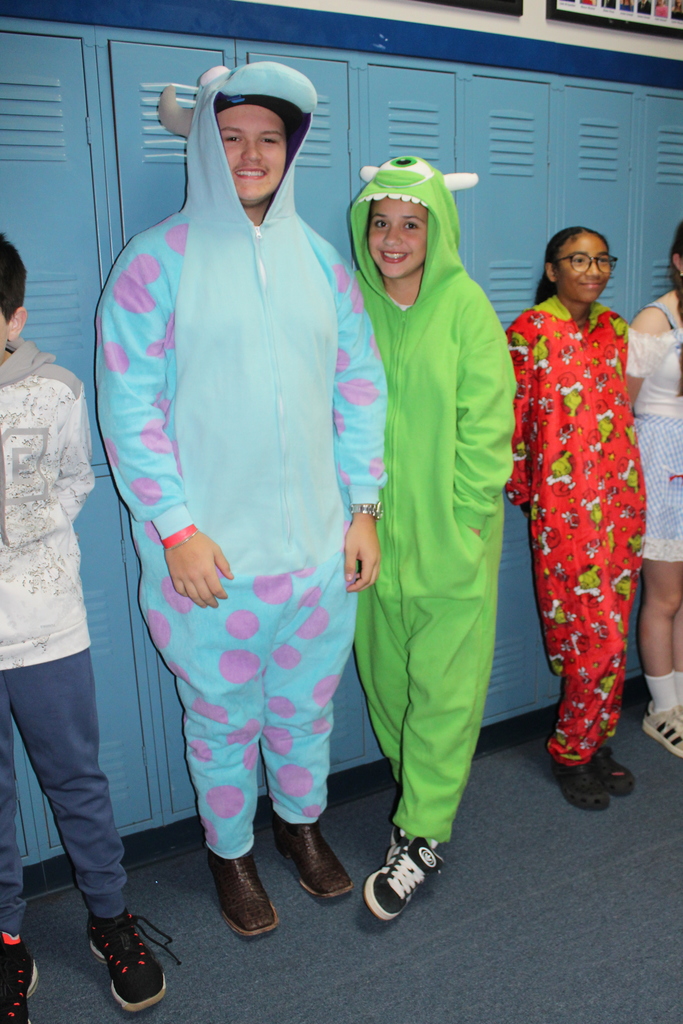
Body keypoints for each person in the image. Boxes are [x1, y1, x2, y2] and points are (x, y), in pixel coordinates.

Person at [96, 62, 386, 937]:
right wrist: (174, 528)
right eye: (231, 137)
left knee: (304, 710)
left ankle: (299, 830)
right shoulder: (156, 262)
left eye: (269, 138)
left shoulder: (322, 264)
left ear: (291, 150)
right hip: (211, 560)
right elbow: (128, 403)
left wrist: (364, 506)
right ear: (203, 146)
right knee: (220, 722)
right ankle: (230, 853)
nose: (250, 154)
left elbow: (358, 387)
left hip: (315, 557)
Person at [0, 234, 169, 1022]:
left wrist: (30, 528)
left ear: (14, 318)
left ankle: (110, 918)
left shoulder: (58, 392)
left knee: (77, 783)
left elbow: (77, 477)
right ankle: (6, 937)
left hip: (45, 629)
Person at [350, 157, 515, 920]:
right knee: (387, 681)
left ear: (436, 229)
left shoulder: (464, 304)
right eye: (380, 222)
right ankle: (416, 788)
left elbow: (488, 426)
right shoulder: (354, 305)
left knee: (443, 692)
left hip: (451, 539)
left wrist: (468, 519)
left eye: (410, 223)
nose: (392, 238)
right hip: (371, 538)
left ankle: (420, 833)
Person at [506, 226, 645, 811]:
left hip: (622, 499)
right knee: (596, 637)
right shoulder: (529, 331)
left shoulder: (616, 329)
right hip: (567, 508)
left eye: (601, 260)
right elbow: (510, 415)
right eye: (578, 260)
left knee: (609, 624)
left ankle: (596, 738)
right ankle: (570, 750)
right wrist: (523, 489)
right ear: (553, 267)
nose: (592, 270)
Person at [626, 222, 683, 755]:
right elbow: (623, 402)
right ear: (679, 261)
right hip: (661, 461)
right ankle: (661, 709)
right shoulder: (654, 319)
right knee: (664, 596)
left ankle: (681, 698)